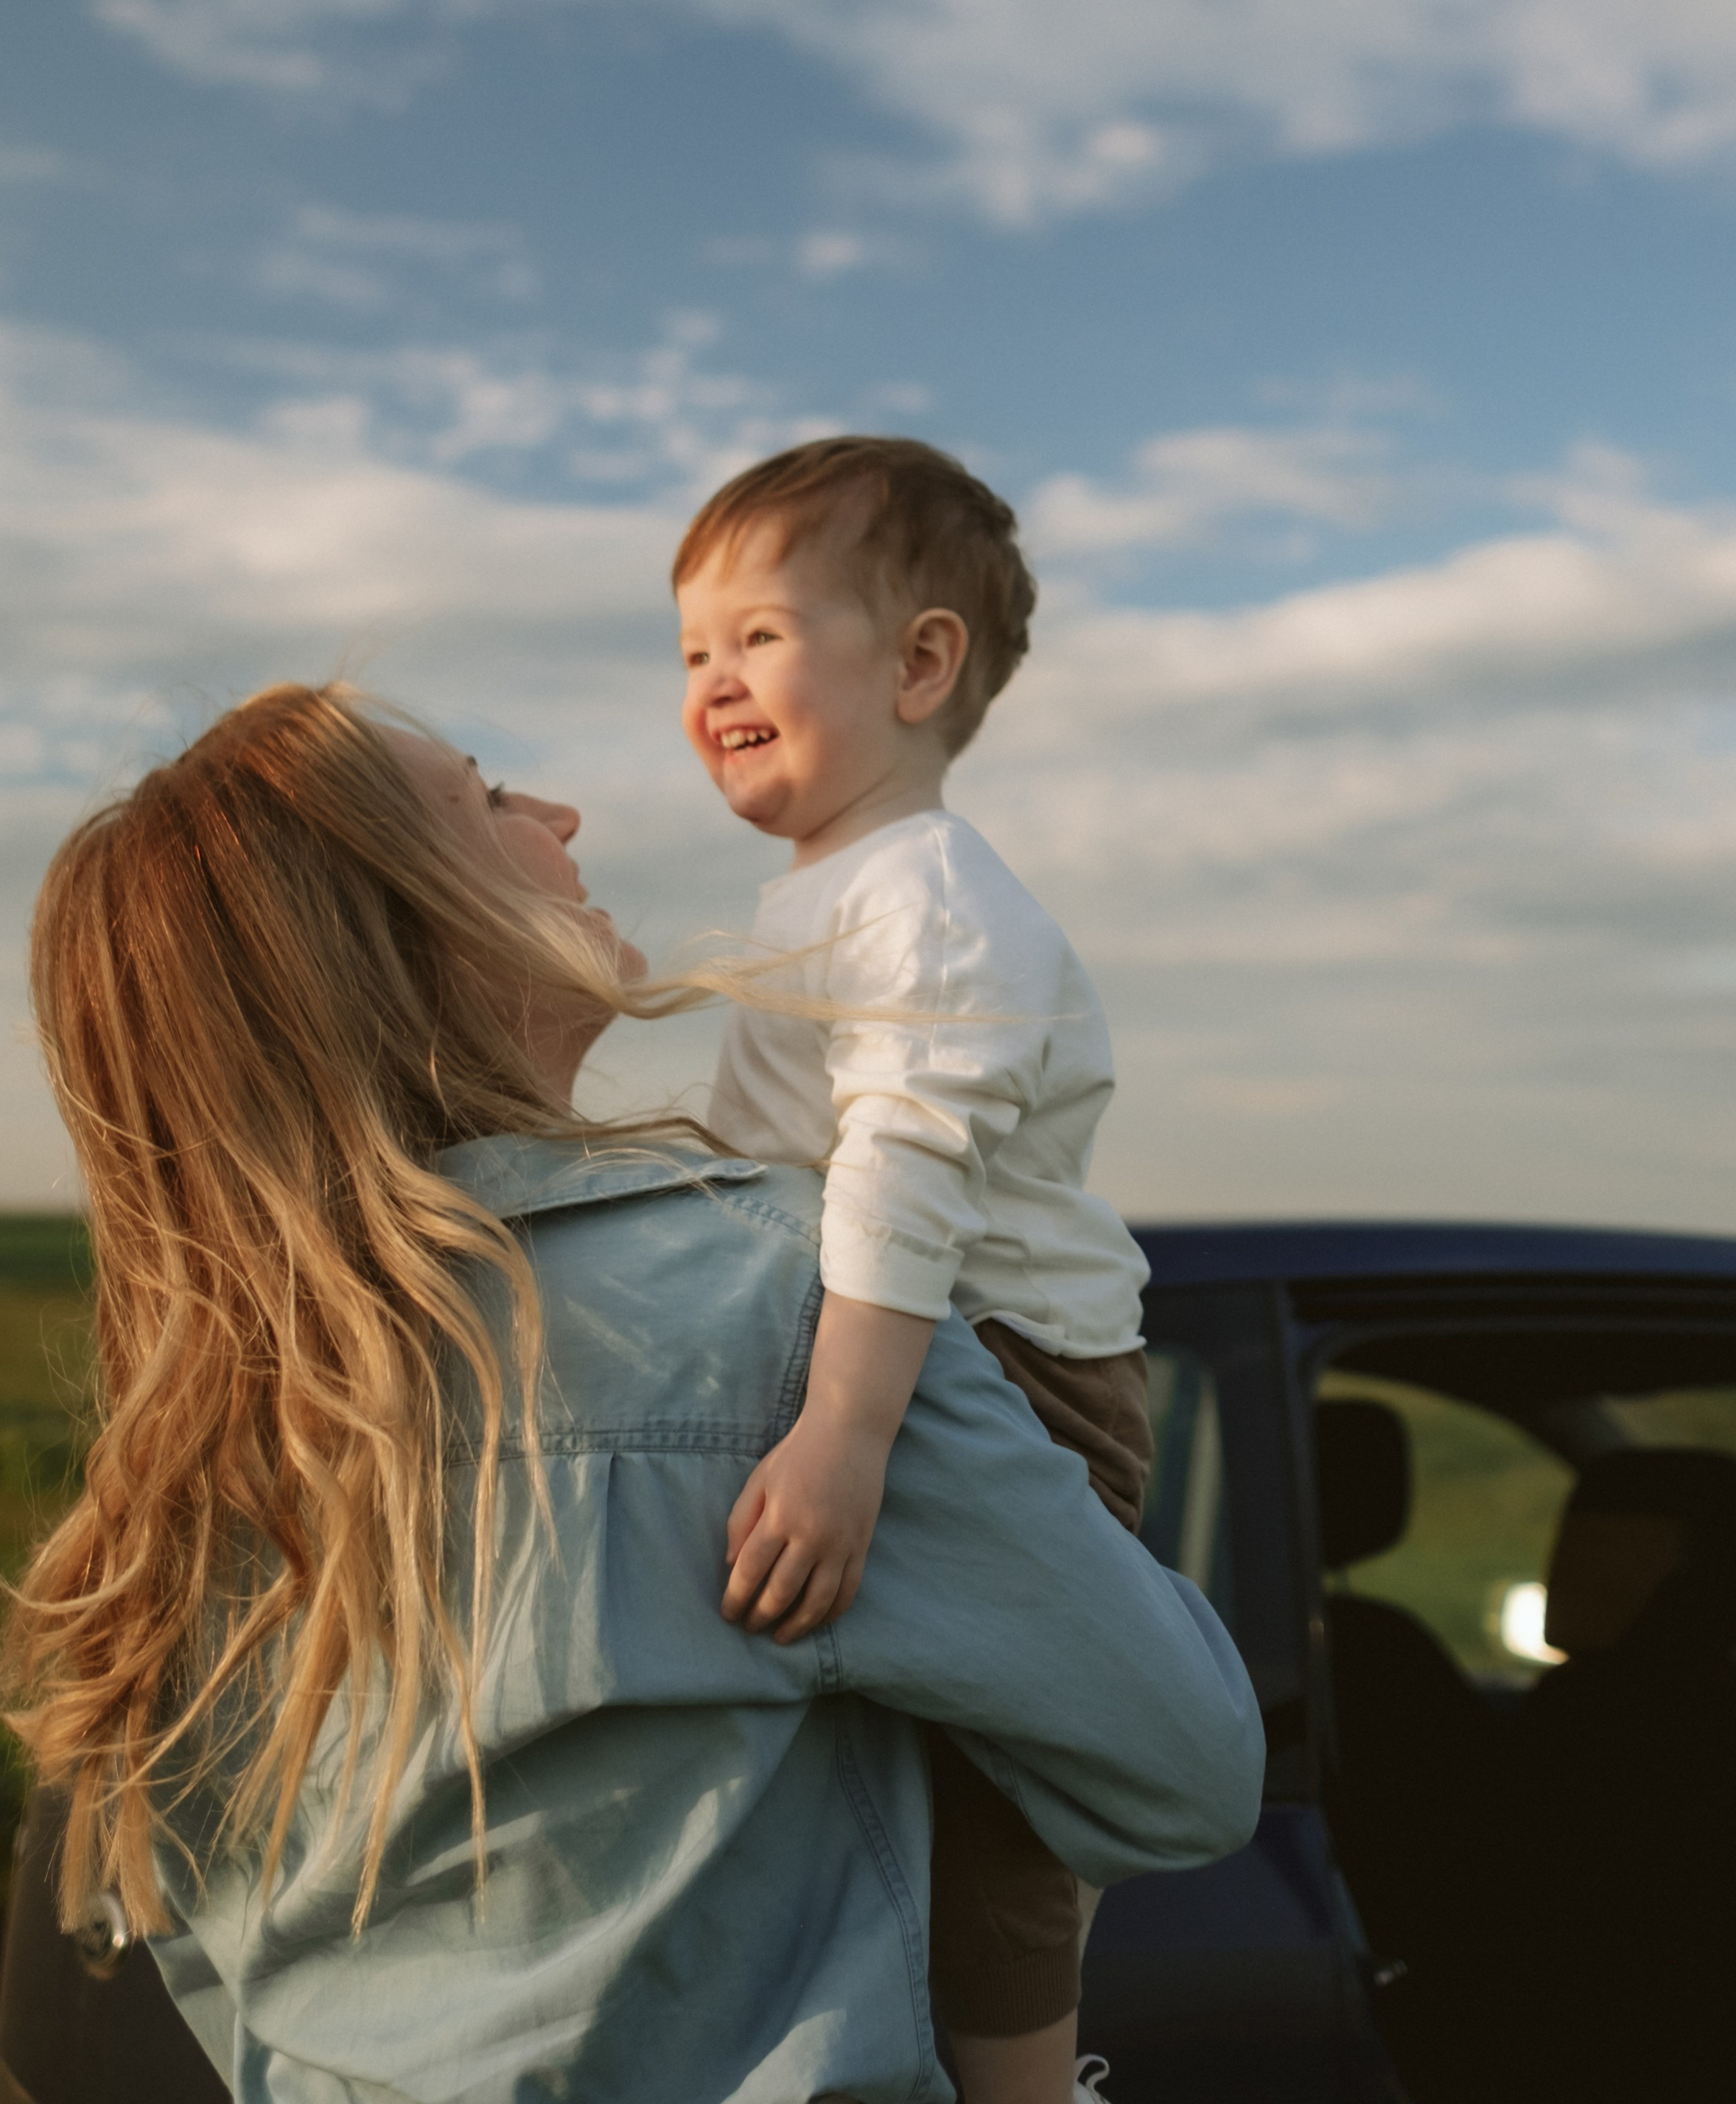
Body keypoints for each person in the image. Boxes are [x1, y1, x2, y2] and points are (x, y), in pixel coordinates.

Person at [5, 681, 1264, 2104]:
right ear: (406, 926)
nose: (559, 816)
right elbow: (1193, 1764)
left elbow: (216, 1990)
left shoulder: (172, 1473)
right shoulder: (774, 1308)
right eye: (484, 797)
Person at [673, 438, 1154, 2104]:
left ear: (920, 663)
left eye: (755, 634)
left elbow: (896, 1174)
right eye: (689, 651)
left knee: (1003, 1806)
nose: (711, 679)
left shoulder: (932, 900)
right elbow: (757, 1168)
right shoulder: (821, 892)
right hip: (908, 1353)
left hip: (1011, 1374)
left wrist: (844, 1435)